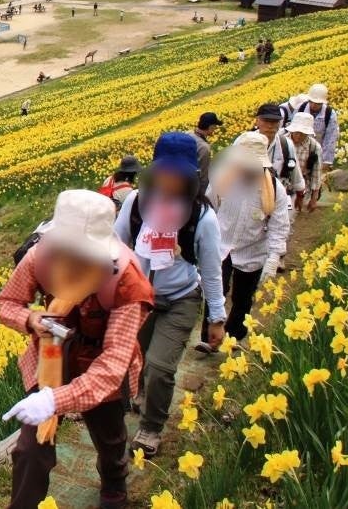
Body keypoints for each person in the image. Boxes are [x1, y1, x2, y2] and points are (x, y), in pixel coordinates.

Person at [0, 190, 154, 509]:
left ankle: (113, 485)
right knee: (30, 448)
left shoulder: (127, 283)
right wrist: (30, 318)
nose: (69, 260)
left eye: (81, 253)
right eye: (64, 250)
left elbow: (111, 368)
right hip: (52, 359)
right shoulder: (39, 258)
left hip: (99, 368)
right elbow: (6, 304)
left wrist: (54, 400)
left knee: (110, 439)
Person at [114, 132, 226, 459]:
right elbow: (116, 246)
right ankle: (140, 396)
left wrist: (216, 318)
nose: (171, 180)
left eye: (179, 175)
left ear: (192, 176)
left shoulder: (201, 217)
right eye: (166, 172)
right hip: (139, 297)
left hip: (180, 299)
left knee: (160, 366)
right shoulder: (137, 203)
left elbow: (211, 269)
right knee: (134, 360)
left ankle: (151, 427)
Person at [198, 133, 289, 353]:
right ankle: (209, 338)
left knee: (243, 297)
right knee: (216, 291)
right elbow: (208, 210)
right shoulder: (223, 178)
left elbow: (279, 225)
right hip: (221, 245)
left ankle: (234, 336)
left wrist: (274, 257)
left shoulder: (274, 189)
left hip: (253, 249)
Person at [241, 103, 305, 199]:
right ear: (257, 121)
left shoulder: (286, 144)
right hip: (248, 195)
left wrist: (300, 193)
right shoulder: (244, 141)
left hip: (277, 196)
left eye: (274, 121)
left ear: (279, 123)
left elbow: (295, 172)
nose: (270, 126)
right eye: (266, 121)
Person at [284, 112, 324, 213]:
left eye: (302, 133)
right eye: (296, 131)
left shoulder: (314, 147)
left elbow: (316, 174)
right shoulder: (282, 141)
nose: (298, 135)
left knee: (293, 214)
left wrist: (314, 199)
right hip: (282, 184)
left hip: (302, 185)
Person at [295, 83, 338, 170]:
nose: (314, 105)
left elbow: (330, 138)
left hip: (318, 150)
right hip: (299, 149)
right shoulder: (300, 109)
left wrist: (326, 161)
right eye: (311, 102)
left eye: (317, 103)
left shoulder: (329, 114)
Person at [190, 111, 224, 193]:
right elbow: (203, 176)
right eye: (215, 126)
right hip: (192, 187)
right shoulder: (204, 148)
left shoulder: (188, 133)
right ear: (211, 127)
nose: (215, 129)